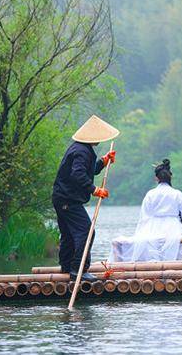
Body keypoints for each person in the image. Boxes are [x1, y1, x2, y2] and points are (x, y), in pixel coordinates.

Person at [52, 115, 120, 282]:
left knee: (68, 234)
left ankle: (67, 266)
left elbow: (90, 171)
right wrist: (95, 189)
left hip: (62, 198)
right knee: (86, 231)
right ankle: (78, 269)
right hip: (67, 199)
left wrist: (104, 161)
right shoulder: (81, 151)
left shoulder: (82, 149)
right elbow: (78, 174)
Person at [109, 159, 182, 262]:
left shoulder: (150, 194)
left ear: (156, 178)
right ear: (170, 177)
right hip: (173, 228)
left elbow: (145, 215)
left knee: (148, 242)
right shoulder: (177, 194)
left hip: (152, 227)